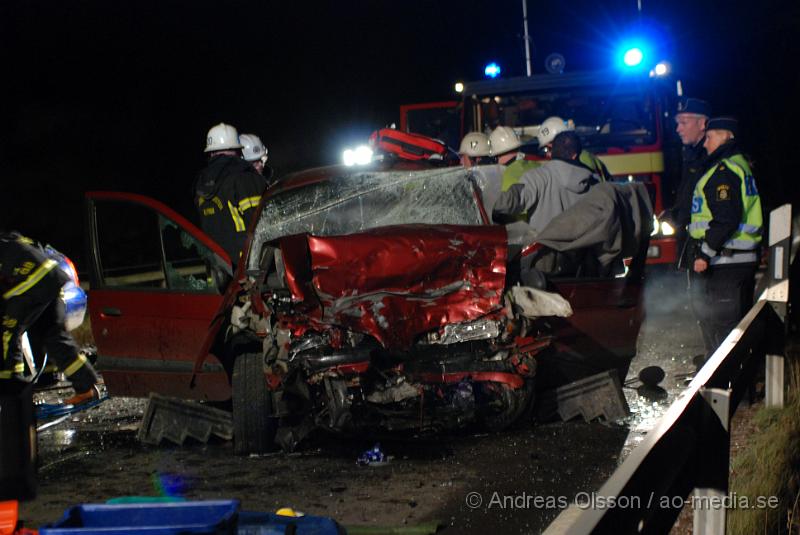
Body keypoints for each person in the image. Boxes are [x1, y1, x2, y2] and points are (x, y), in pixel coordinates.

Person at [687, 117, 762, 355]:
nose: (705, 144)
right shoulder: (740, 164)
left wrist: (704, 253)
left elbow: (726, 218)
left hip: (727, 261)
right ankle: (731, 384)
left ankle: (723, 387)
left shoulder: (723, 171)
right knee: (734, 330)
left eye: (709, 137)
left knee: (724, 334)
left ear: (725, 136)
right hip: (738, 260)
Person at [0, 232, 101, 404]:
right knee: (52, 335)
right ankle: (86, 388)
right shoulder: (9, 239)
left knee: (8, 332)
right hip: (52, 279)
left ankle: (12, 394)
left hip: (32, 282)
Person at [492, 131, 599, 232]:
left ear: (553, 151)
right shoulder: (593, 182)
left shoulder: (537, 177)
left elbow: (512, 200)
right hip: (582, 249)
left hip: (545, 248)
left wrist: (491, 206)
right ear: (575, 155)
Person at [194, 123, 268, 262]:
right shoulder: (244, 177)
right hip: (249, 264)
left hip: (218, 265)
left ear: (210, 152)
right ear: (238, 150)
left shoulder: (201, 183)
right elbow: (263, 221)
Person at [668, 98, 711, 250]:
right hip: (692, 239)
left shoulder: (710, 156)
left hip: (708, 243)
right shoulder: (690, 154)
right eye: (677, 123)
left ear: (702, 124)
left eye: (684, 123)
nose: (678, 129)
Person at [537, 116, 611, 181]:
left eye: (550, 149)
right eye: (545, 150)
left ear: (566, 141)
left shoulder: (582, 159)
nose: (548, 154)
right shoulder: (570, 160)